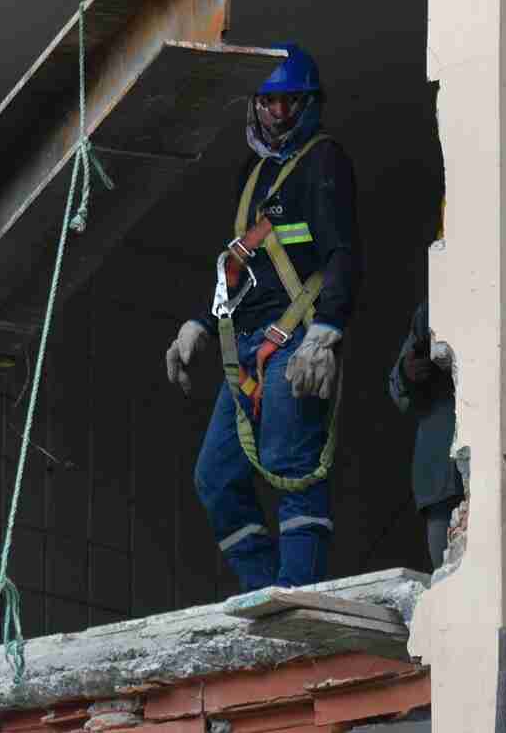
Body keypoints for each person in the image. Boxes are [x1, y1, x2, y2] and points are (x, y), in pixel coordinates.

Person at [163, 43, 361, 592]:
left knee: (287, 459)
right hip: (245, 341)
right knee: (216, 476)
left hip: (296, 341)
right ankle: (264, 591)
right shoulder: (253, 176)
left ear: (309, 104)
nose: (277, 114)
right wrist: (201, 324)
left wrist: (327, 331)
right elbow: (239, 266)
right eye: (269, 103)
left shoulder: (324, 161)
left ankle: (297, 593)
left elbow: (343, 252)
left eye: (289, 103)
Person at [387, 300, 462, 568]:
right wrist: (408, 372)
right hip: (440, 469)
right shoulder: (430, 309)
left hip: (494, 461)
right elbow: (398, 391)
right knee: (445, 572)